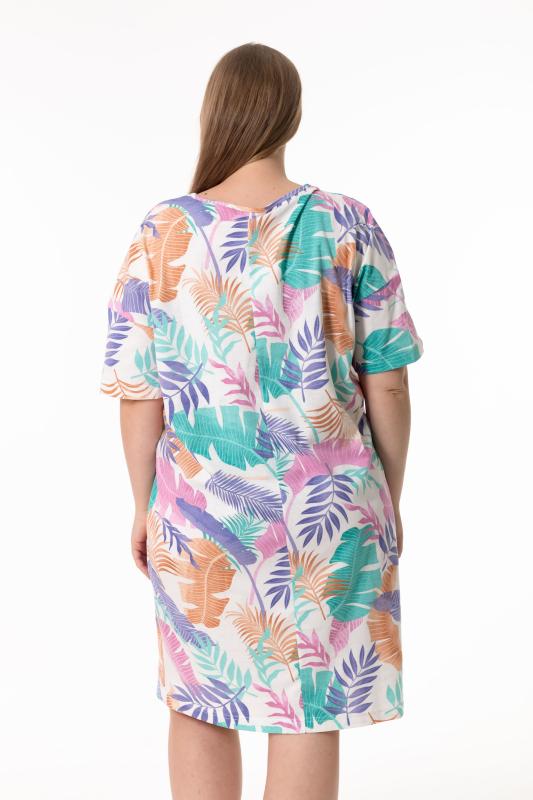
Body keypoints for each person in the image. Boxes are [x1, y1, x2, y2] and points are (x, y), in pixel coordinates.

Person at [100, 41, 424, 800]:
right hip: (330, 510)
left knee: (199, 699)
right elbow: (388, 385)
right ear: (291, 115)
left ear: (215, 113)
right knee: (308, 705)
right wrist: (389, 494)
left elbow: (139, 393)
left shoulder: (163, 232)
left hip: (200, 512)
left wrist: (143, 505)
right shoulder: (347, 222)